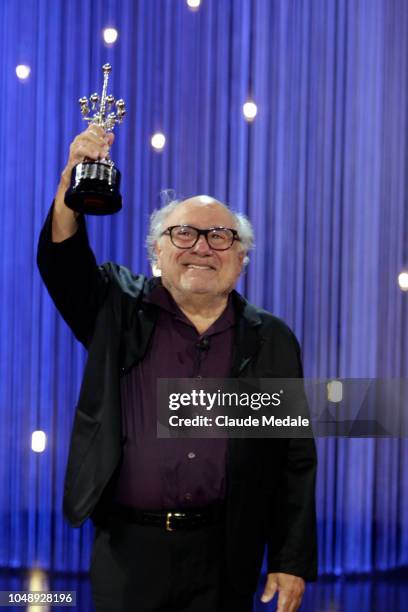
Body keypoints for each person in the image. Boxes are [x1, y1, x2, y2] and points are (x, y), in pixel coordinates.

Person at [37, 125, 318, 612]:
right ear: (157, 253)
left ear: (242, 258)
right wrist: (70, 186)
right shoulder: (115, 308)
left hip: (227, 552)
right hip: (129, 553)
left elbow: (294, 459)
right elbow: (63, 263)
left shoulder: (272, 339)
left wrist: (291, 558)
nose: (202, 247)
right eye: (183, 233)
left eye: (221, 237)